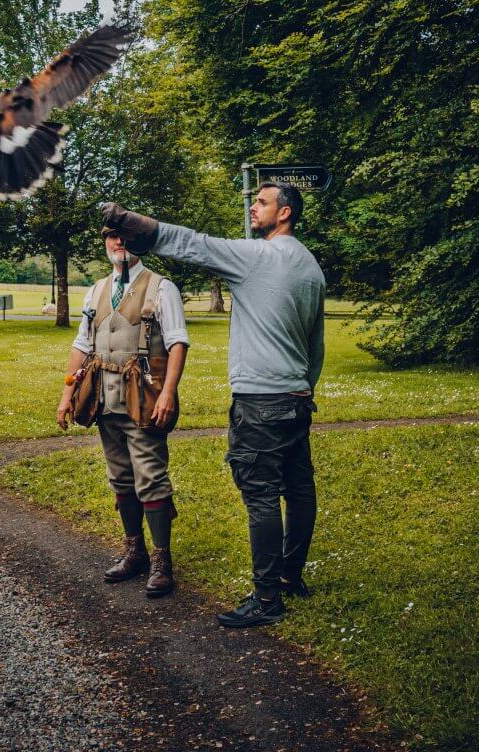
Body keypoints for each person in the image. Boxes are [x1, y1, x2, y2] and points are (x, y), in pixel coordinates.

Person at [101, 182, 325, 628]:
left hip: (260, 402)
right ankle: (289, 577)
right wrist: (304, 386)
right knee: (299, 491)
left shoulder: (256, 257)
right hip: (297, 399)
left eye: (261, 202)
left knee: (260, 494)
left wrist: (130, 223)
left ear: (284, 213)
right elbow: (315, 344)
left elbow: (193, 244)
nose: (253, 207)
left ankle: (266, 599)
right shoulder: (311, 267)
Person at [57, 226, 190, 597]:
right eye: (112, 238)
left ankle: (162, 559)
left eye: (126, 238)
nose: (119, 244)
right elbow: (82, 344)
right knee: (120, 478)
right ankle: (135, 551)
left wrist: (167, 393)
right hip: (104, 400)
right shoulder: (97, 289)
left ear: (139, 244)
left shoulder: (161, 287)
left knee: (150, 477)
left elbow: (178, 343)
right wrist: (66, 396)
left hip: (144, 400)